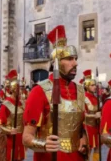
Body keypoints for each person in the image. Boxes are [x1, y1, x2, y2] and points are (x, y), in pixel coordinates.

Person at [22, 25, 87, 161]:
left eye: (75, 58)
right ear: (56, 62)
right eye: (69, 59)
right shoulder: (39, 91)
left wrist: (84, 139)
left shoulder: (80, 90)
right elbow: (27, 138)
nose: (75, 63)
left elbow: (81, 127)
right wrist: (45, 144)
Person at [0, 69, 26, 161]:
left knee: (20, 158)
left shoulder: (22, 103)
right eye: (18, 89)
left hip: (21, 137)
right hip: (11, 138)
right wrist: (9, 131)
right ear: (13, 90)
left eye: (20, 89)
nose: (20, 92)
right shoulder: (6, 105)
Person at [82, 69, 101, 161]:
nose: (94, 87)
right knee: (88, 149)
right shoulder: (84, 98)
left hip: (96, 126)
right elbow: (82, 115)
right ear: (87, 86)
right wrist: (94, 116)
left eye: (95, 85)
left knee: (98, 148)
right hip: (87, 127)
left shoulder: (96, 97)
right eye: (92, 85)